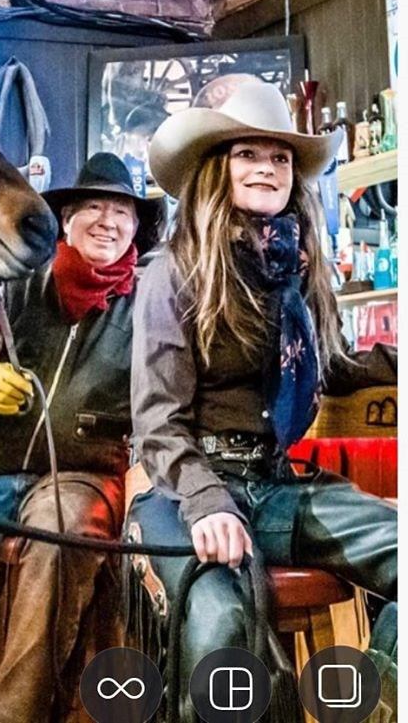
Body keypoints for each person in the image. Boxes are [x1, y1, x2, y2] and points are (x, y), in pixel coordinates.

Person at [127, 82, 397, 721]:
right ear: (217, 169)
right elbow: (157, 420)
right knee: (219, 622)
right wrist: (203, 500)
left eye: (279, 158)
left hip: (275, 489)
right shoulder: (173, 271)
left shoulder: (295, 270)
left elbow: (325, 363)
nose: (267, 169)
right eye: (249, 154)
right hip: (183, 491)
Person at [0, 152, 164, 723]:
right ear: (67, 219)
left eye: (120, 211)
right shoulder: (16, 290)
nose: (108, 220)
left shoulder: (150, 308)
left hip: (81, 479)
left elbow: (168, 404)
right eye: (93, 206)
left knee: (33, 656)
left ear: (135, 228)